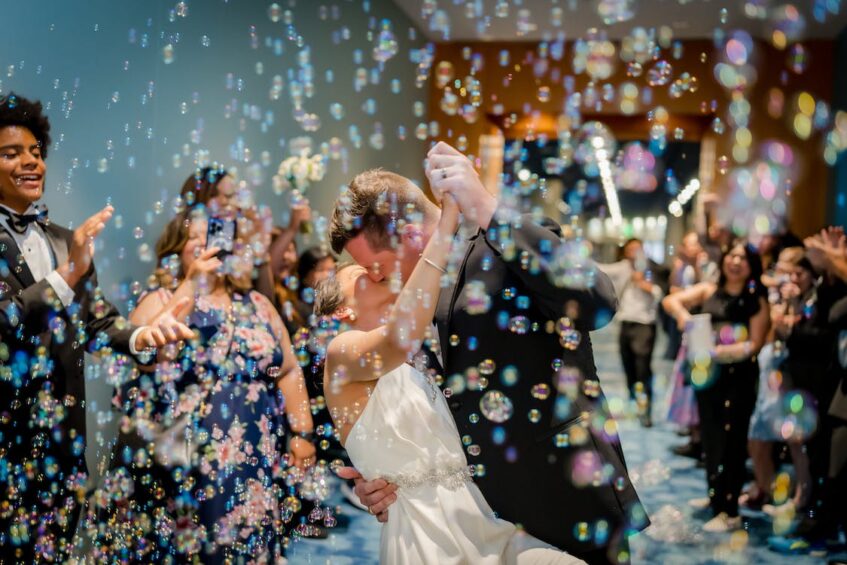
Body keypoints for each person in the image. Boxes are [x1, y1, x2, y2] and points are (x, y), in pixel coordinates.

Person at [330, 142, 646, 564]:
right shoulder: (409, 307)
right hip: (480, 523)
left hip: (564, 492)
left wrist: (488, 208)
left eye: (379, 268)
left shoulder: (505, 242)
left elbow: (598, 301)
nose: (381, 281)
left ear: (409, 235)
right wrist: (385, 479)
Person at [316, 184, 584, 564]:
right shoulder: (342, 351)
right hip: (427, 535)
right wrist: (444, 227)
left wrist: (371, 478)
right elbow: (397, 337)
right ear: (342, 310)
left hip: (486, 516)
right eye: (362, 274)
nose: (379, 274)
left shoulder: (417, 353)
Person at [0, 93, 193, 562]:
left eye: (36, 152)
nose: (31, 162)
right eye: (11, 152)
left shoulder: (67, 240)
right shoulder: (73, 256)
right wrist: (69, 273)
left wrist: (144, 336)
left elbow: (98, 320)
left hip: (65, 447)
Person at [99, 212, 315, 562]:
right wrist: (190, 283)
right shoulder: (161, 299)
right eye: (195, 238)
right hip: (186, 463)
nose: (207, 244)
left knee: (248, 546)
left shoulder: (257, 304)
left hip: (253, 462)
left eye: (213, 235)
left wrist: (302, 433)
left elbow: (288, 369)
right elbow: (145, 356)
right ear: (176, 251)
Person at [663, 240, 770, 532]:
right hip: (707, 375)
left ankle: (730, 510)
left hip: (739, 377)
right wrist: (685, 317)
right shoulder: (710, 290)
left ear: (752, 266)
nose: (735, 261)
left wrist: (718, 352)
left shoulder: (756, 299)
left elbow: (756, 344)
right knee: (710, 438)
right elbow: (670, 301)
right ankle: (715, 498)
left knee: (732, 441)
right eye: (731, 255)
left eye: (743, 258)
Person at [598, 238, 664, 427]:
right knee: (628, 367)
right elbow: (601, 269)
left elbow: (661, 292)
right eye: (630, 249)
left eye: (638, 248)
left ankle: (646, 410)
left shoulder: (652, 268)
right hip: (625, 322)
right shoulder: (622, 267)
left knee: (643, 368)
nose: (634, 252)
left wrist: (644, 284)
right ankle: (634, 404)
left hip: (645, 323)